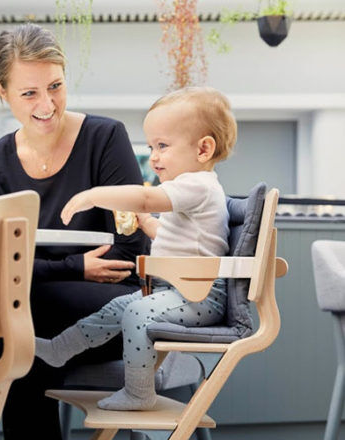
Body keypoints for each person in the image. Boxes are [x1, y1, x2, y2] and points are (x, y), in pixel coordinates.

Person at [0, 23, 148, 440]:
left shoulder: (105, 138)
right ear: (2, 93)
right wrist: (77, 266)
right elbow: (1, 263)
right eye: (29, 93)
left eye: (55, 86)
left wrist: (37, 270)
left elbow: (127, 252)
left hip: (115, 315)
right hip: (34, 313)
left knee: (16, 310)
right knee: (22, 345)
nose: (48, 104)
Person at [36, 86, 237, 410]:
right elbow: (175, 239)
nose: (153, 156)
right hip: (177, 290)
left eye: (162, 146)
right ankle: (60, 349)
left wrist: (92, 195)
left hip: (199, 295)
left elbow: (145, 197)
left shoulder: (197, 185)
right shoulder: (192, 191)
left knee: (134, 313)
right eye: (151, 146)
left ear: (203, 149)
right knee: (113, 309)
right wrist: (147, 225)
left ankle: (139, 393)